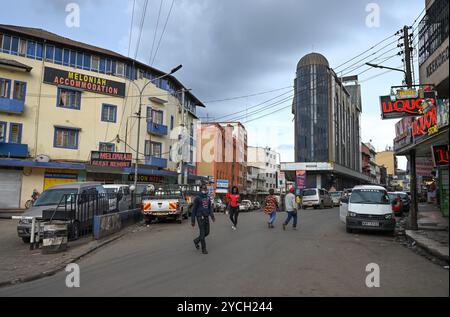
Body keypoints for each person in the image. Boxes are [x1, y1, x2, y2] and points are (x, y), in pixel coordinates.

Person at [191, 184, 216, 255]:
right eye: (203, 189)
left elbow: (210, 208)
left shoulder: (208, 198)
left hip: (206, 216)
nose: (204, 190)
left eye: (205, 189)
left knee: (207, 232)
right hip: (200, 217)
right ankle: (204, 249)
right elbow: (194, 210)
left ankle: (196, 241)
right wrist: (193, 221)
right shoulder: (197, 198)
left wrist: (212, 216)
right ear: (200, 189)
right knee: (202, 233)